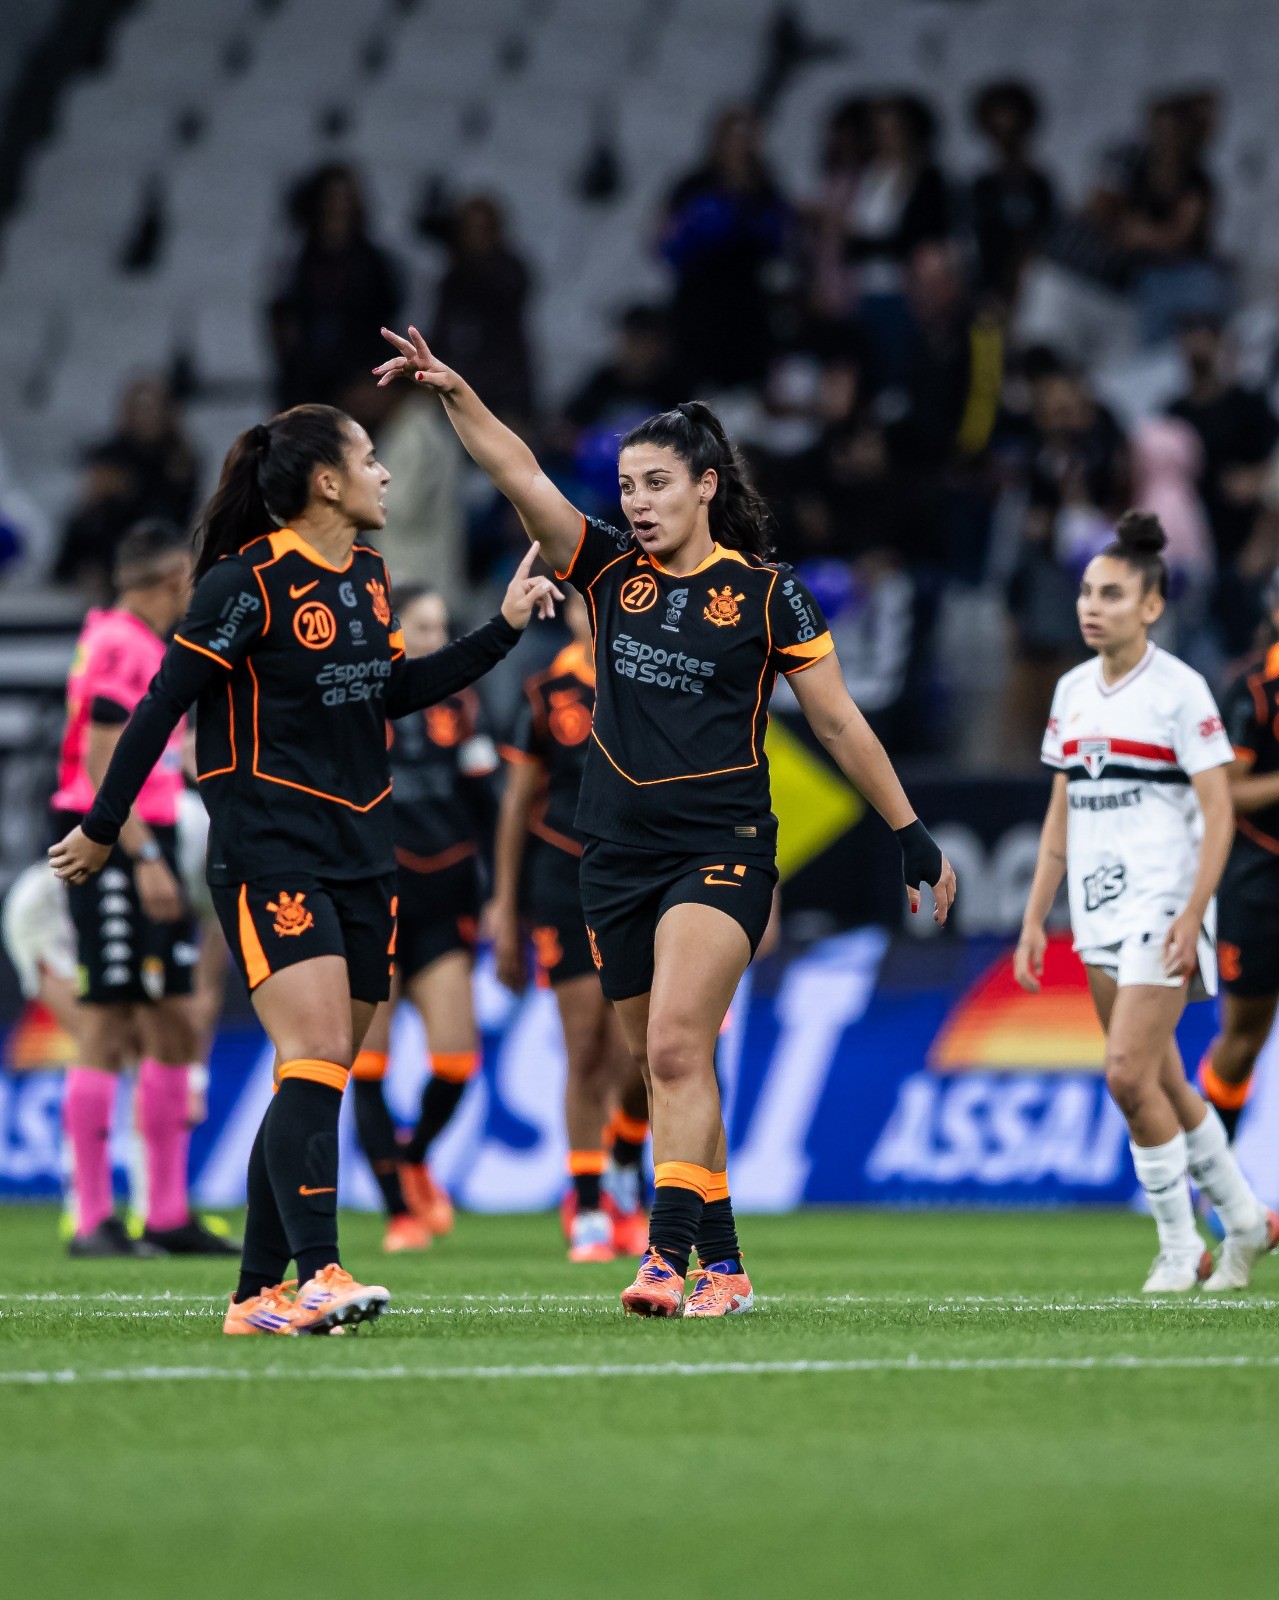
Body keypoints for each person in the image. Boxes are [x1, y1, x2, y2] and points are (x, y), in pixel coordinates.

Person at [373, 325, 955, 1318]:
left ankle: (664, 1256)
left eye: (655, 484)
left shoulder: (771, 598)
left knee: (679, 1050)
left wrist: (910, 833)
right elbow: (518, 472)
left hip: (720, 851)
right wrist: (454, 391)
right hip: (613, 857)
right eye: (628, 486)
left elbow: (840, 722)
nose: (635, 503)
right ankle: (726, 1270)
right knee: (659, 1068)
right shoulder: (606, 576)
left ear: (705, 487)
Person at [49, 403, 560, 1335]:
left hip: (367, 853)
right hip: (272, 852)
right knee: (319, 1053)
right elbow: (162, 705)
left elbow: (395, 692)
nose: (385, 474)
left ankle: (254, 1295)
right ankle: (318, 1268)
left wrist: (503, 630)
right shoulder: (244, 584)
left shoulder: (367, 575)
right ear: (326, 481)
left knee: (312, 1072)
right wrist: (101, 823)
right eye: (370, 458)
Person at [1015, 512, 1277, 1293]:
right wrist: (1036, 913)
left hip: (1163, 905)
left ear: (1151, 606)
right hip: (1096, 908)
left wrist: (1195, 908)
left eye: (1112, 594)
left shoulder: (1180, 692)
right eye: (1086, 593)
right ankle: (1245, 1220)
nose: (1091, 607)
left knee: (1126, 1074)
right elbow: (1061, 810)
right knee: (1162, 1080)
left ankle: (1176, 1246)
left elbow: (1220, 807)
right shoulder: (1069, 691)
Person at [50, 520, 231, 1259]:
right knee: (109, 1021)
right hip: (119, 848)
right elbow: (100, 761)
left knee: (169, 1023)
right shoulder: (124, 645)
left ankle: (165, 1212)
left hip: (137, 839)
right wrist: (145, 857)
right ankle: (94, 1217)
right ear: (171, 583)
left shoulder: (116, 638)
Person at [490, 590, 649, 1264]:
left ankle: (624, 1156)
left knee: (641, 1053)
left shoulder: (654, 680)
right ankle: (586, 1201)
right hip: (562, 878)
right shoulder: (547, 690)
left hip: (641, 874)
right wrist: (504, 906)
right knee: (584, 1045)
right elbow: (517, 804)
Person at [349, 584, 500, 1254]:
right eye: (422, 626)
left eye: (442, 626)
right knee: (368, 1064)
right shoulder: (356, 701)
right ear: (391, 630)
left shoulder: (463, 707)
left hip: (445, 899)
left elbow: (485, 806)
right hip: (374, 899)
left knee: (457, 1057)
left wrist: (501, 893)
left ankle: (414, 1156)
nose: (436, 639)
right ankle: (397, 1212)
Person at [1197, 568, 1279, 1139]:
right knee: (1244, 1034)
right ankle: (1210, 1164)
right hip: (1259, 879)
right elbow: (1228, 790)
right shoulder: (1251, 689)